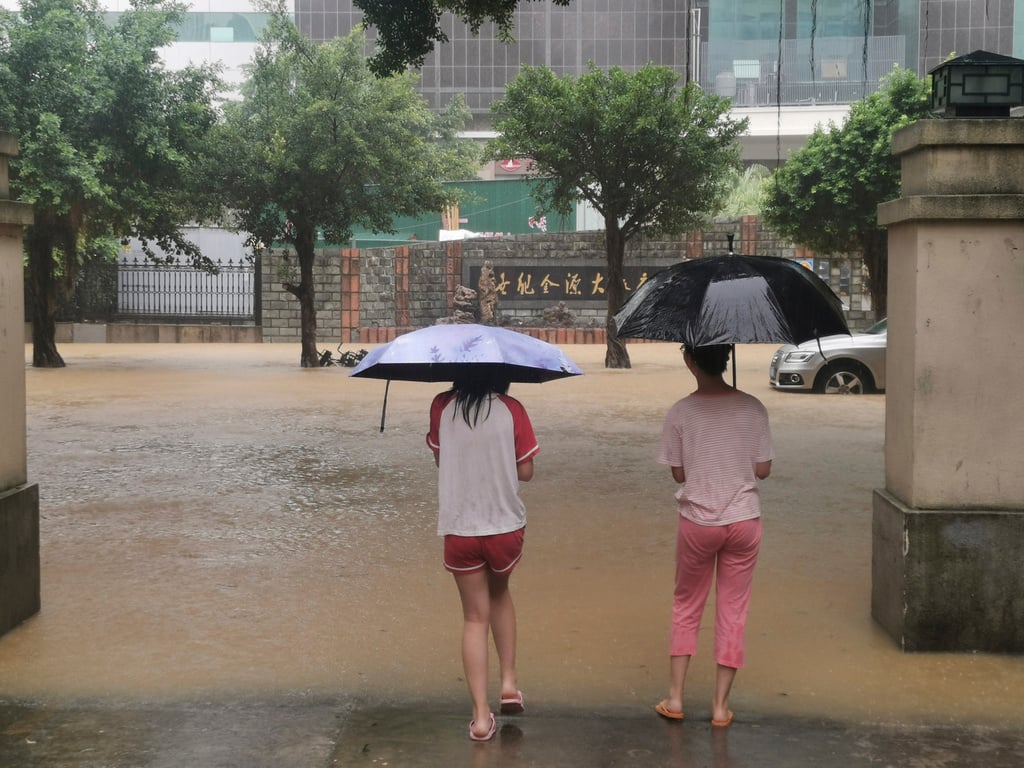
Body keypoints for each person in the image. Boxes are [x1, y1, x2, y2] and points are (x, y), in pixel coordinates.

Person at [654, 344, 773, 727]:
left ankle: (675, 698)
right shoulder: (753, 408)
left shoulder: (681, 412)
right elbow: (764, 469)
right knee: (733, 610)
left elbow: (678, 474)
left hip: (698, 522)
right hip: (743, 521)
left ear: (690, 359)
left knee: (686, 604)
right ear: (726, 358)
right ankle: (721, 708)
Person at [426, 367, 539, 741]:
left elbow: (442, 460)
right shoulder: (512, 409)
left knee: (475, 618)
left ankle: (479, 719)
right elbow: (526, 471)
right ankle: (508, 684)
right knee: (500, 593)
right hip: (505, 527)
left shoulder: (441, 406)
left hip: (460, 528)